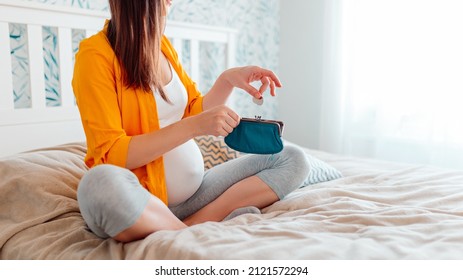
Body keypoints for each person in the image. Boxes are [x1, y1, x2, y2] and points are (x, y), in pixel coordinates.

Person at [72, 0, 310, 243]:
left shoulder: (162, 47)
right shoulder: (95, 55)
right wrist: (194, 127)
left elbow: (193, 110)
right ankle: (184, 227)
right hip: (144, 201)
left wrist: (227, 80)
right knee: (98, 185)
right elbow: (111, 153)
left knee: (292, 158)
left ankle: (189, 226)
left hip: (194, 197)